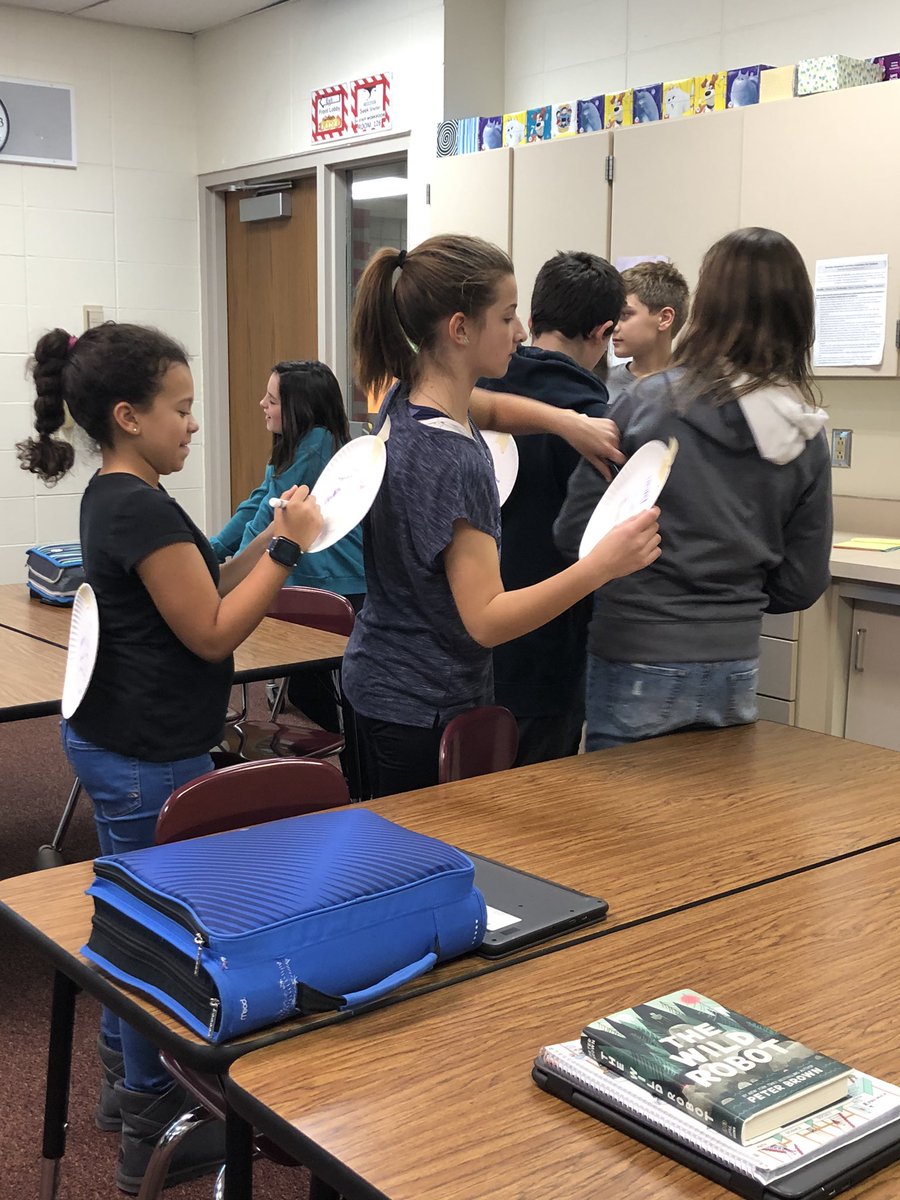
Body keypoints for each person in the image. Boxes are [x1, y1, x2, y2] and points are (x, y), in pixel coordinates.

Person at [17, 323, 322, 1194]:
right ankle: (154, 1114)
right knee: (161, 939)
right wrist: (289, 552)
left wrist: (270, 537)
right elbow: (214, 630)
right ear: (128, 415)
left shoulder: (121, 491)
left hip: (124, 737)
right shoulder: (140, 507)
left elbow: (207, 584)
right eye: (181, 408)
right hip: (147, 751)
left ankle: (127, 1089)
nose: (194, 423)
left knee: (132, 922)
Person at [342, 234, 661, 798]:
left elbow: (485, 406)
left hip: (377, 678)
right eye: (507, 317)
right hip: (426, 707)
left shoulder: (405, 395)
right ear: (460, 329)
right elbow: (486, 618)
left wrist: (565, 422)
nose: (520, 334)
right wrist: (601, 565)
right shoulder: (458, 460)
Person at [554, 227, 832, 751]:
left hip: (636, 648)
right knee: (712, 805)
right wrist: (729, 601)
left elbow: (576, 534)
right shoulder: (805, 432)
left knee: (621, 804)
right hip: (735, 660)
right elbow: (802, 582)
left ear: (707, 305)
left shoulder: (647, 403)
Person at [475, 250, 624, 765]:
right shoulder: (599, 424)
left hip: (461, 647)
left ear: (532, 318)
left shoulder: (470, 392)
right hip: (547, 651)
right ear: (603, 332)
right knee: (536, 804)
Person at [210, 359, 365, 729]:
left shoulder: (315, 444)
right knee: (313, 690)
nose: (262, 404)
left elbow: (268, 517)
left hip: (339, 584)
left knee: (322, 692)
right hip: (321, 580)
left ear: (300, 408)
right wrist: (210, 551)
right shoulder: (299, 444)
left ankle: (347, 755)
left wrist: (229, 577)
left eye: (273, 400)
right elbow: (258, 502)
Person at [606, 259, 690, 404]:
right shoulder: (600, 385)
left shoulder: (693, 391)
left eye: (625, 314)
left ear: (665, 318)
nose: (614, 327)